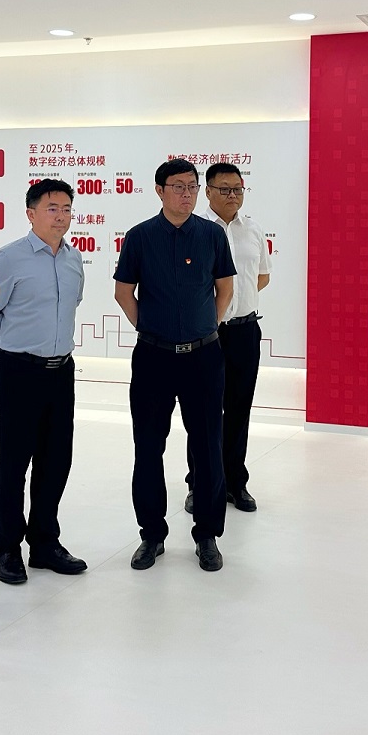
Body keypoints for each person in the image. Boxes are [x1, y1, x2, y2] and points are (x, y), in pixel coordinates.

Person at [113, 158, 235, 572]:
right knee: (149, 446)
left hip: (204, 357)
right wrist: (150, 329)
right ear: (159, 190)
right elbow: (124, 292)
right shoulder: (140, 236)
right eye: (178, 186)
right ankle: (151, 535)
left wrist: (206, 328)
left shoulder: (212, 235)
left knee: (207, 446)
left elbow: (224, 288)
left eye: (192, 187)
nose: (187, 194)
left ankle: (207, 535)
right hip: (154, 357)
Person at [0, 178, 87, 585]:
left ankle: (44, 543)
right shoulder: (9, 259)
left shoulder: (73, 259)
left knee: (56, 461)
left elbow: (73, 304)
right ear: (31, 213)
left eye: (67, 209)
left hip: (61, 372)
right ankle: (7, 548)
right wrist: (7, 348)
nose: (61, 216)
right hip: (19, 371)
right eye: (52, 208)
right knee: (13, 463)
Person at [183, 161, 271, 516]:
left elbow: (261, 277)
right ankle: (199, 484)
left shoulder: (253, 229)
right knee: (203, 413)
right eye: (224, 189)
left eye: (237, 189)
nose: (233, 195)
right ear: (208, 191)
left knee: (239, 409)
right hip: (207, 335)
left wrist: (237, 304)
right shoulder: (194, 230)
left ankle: (235, 481)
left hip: (245, 332)